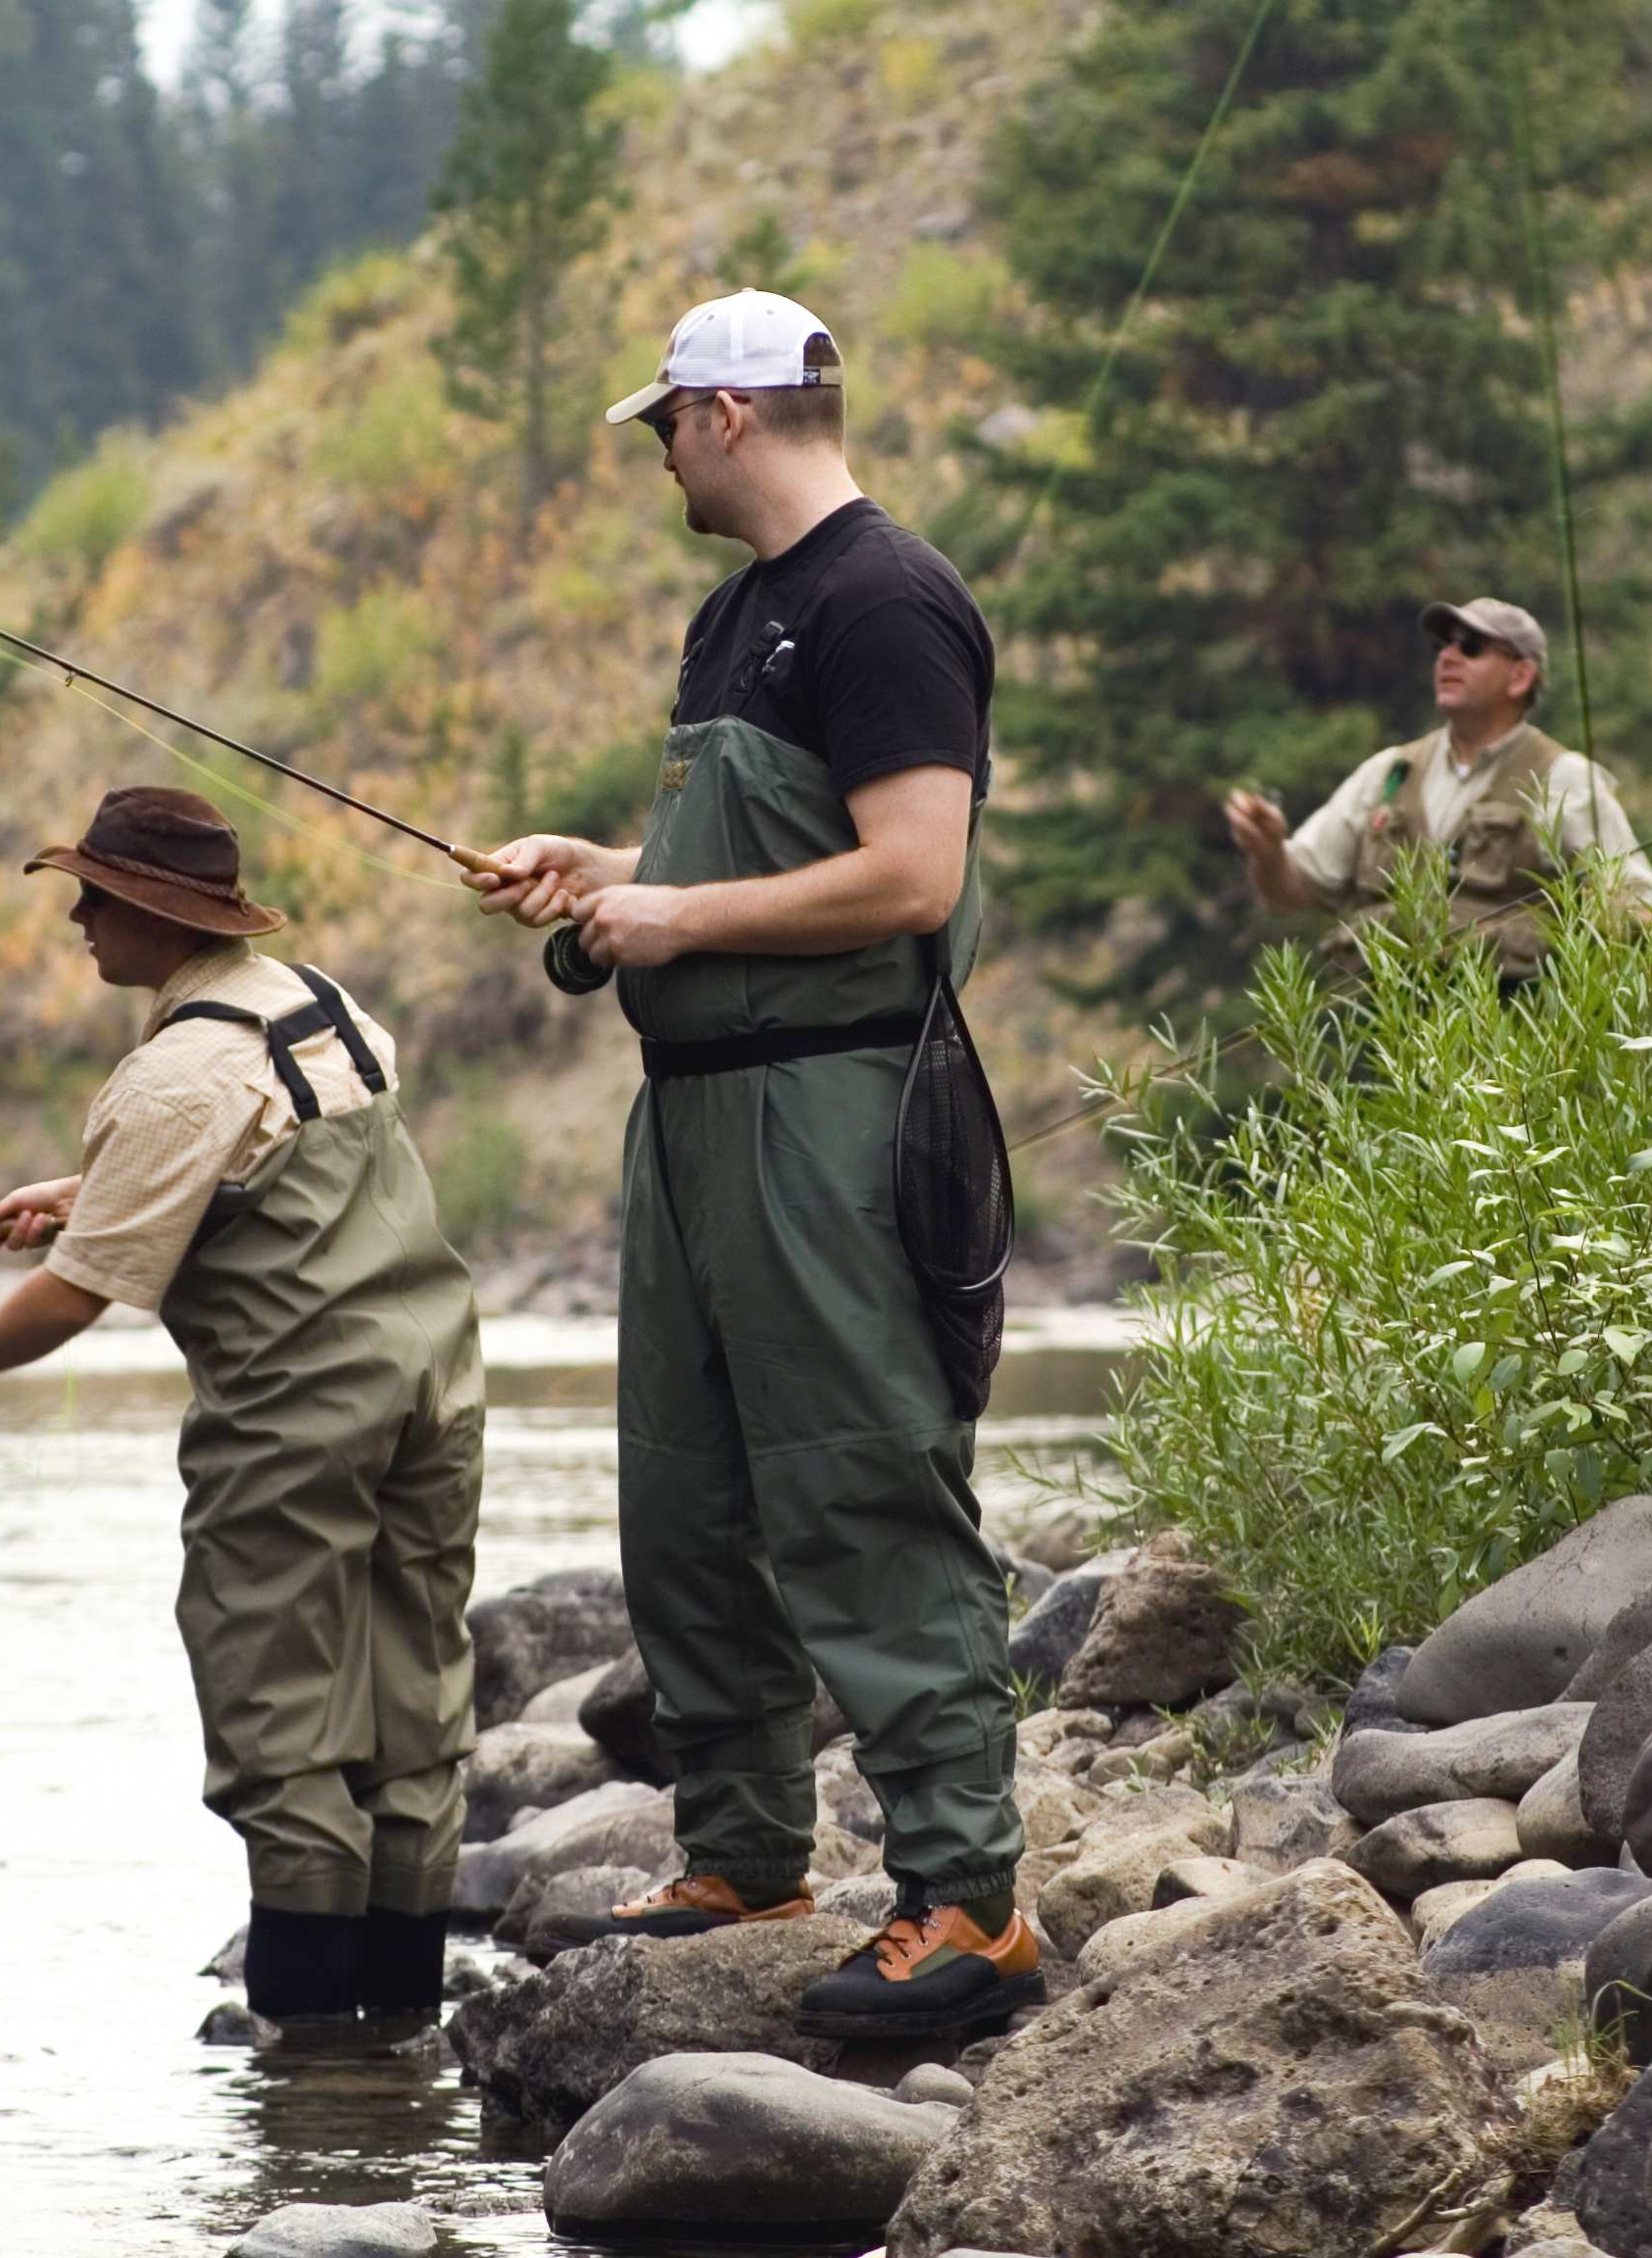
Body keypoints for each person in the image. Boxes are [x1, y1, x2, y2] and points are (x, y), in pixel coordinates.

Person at [465, 289, 1038, 2040]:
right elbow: (753, 843)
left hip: (831, 1112)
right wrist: (610, 868)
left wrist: (679, 905)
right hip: (694, 1114)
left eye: (660, 425)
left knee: (862, 1478)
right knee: (688, 1492)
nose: (653, 453)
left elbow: (910, 874)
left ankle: (968, 1901)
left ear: (725, 417)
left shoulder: (888, 599)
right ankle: (744, 1846)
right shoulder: (736, 617)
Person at [0, 786, 483, 2026]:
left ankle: (311, 2065)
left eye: (97, 896)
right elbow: (247, 1144)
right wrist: (81, 1188)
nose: (82, 918)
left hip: (295, 1420)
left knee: (283, 1725)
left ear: (157, 910)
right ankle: (403, 2035)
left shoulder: (169, 1078)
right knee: (415, 1705)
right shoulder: (317, 1002)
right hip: (434, 1388)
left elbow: (75, 1299)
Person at [1223, 596, 1652, 983]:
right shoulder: (1389, 773)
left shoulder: (1562, 778)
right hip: (1393, 1062)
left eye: (1471, 648)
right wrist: (1267, 851)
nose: (1448, 658)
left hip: (1515, 1063)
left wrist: (1594, 920)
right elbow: (1290, 890)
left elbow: (1647, 913)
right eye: (1442, 646)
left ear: (1520, 677)